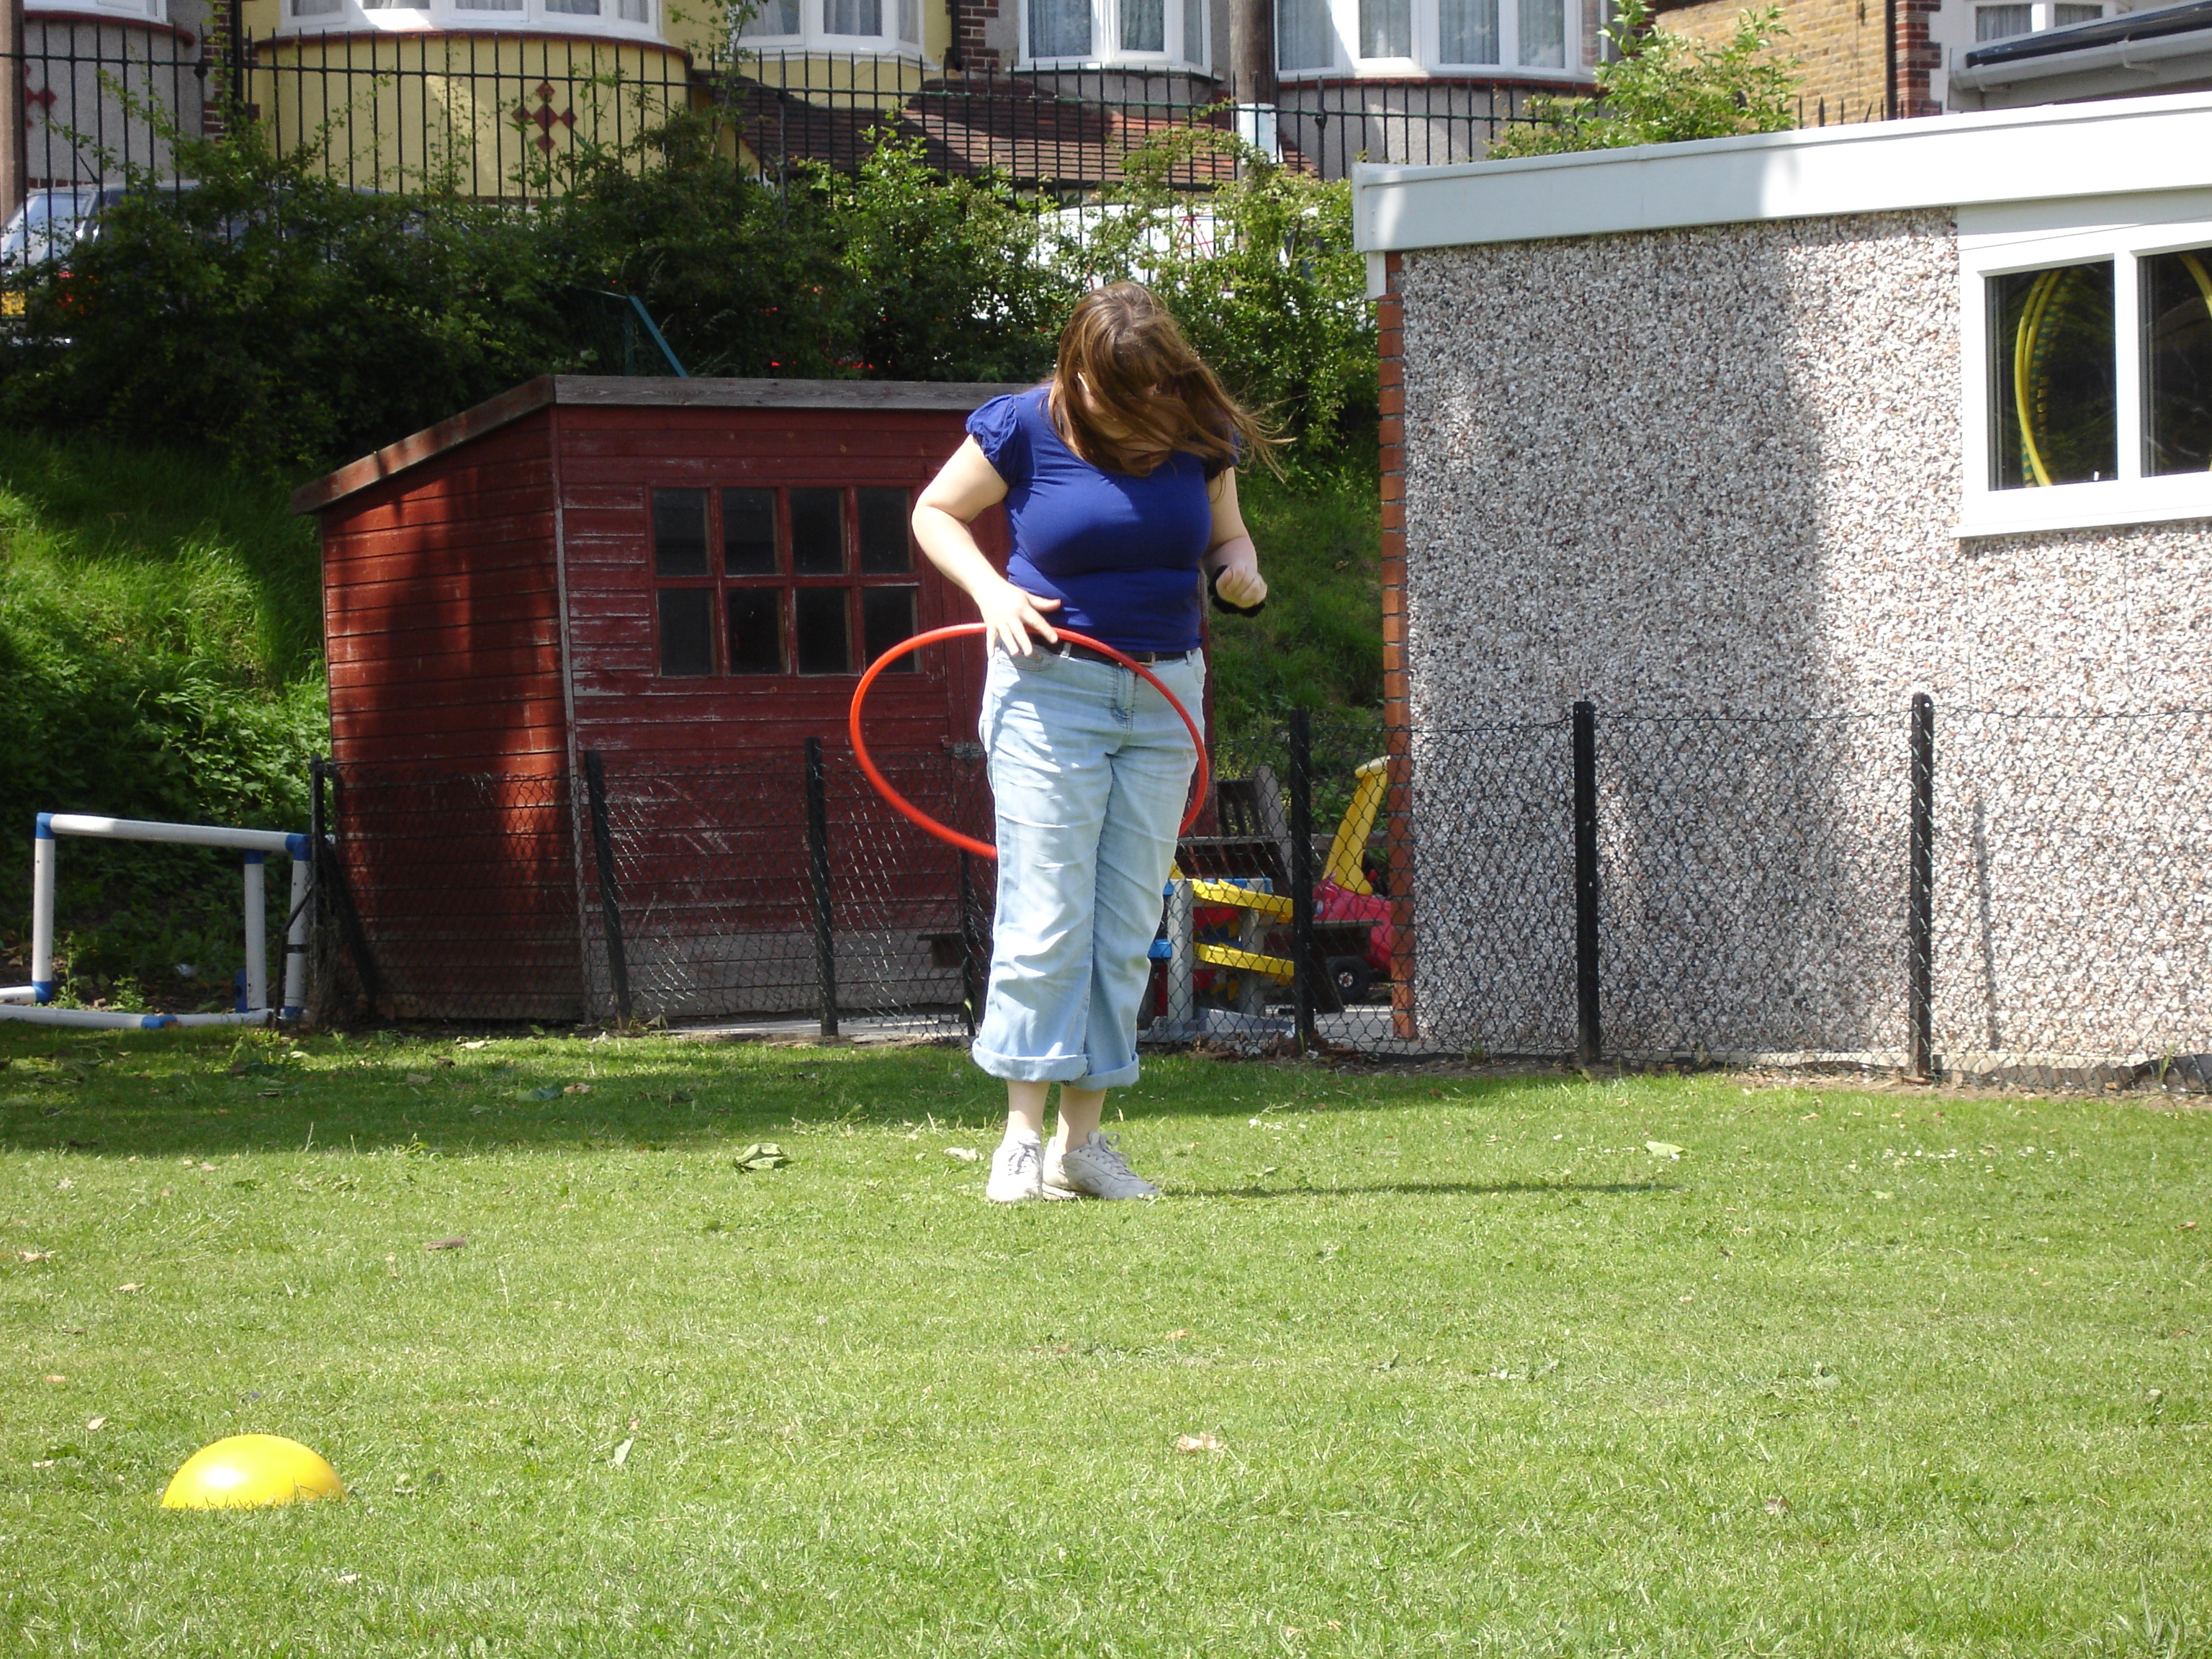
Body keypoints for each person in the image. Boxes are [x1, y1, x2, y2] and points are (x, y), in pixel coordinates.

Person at [911, 283, 1272, 1202]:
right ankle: (1018, 1141)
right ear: (1079, 375)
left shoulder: (1198, 430)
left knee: (1124, 927)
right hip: (1051, 691)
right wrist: (992, 592)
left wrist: (1240, 575)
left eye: (1154, 393)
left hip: (1165, 698)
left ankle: (1082, 1147)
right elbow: (935, 512)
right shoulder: (1024, 425)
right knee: (1047, 917)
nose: (1142, 412)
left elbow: (1230, 542)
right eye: (1123, 396)